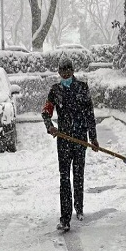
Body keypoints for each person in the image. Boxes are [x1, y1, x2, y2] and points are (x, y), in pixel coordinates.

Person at [42, 59, 98, 231]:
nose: (65, 74)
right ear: (59, 73)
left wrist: (93, 137)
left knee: (78, 175)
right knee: (64, 177)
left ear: (73, 71)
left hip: (80, 139)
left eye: (68, 71)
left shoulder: (82, 88)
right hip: (64, 139)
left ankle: (79, 208)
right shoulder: (55, 91)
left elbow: (89, 114)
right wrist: (50, 126)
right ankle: (65, 218)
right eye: (62, 72)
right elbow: (46, 112)